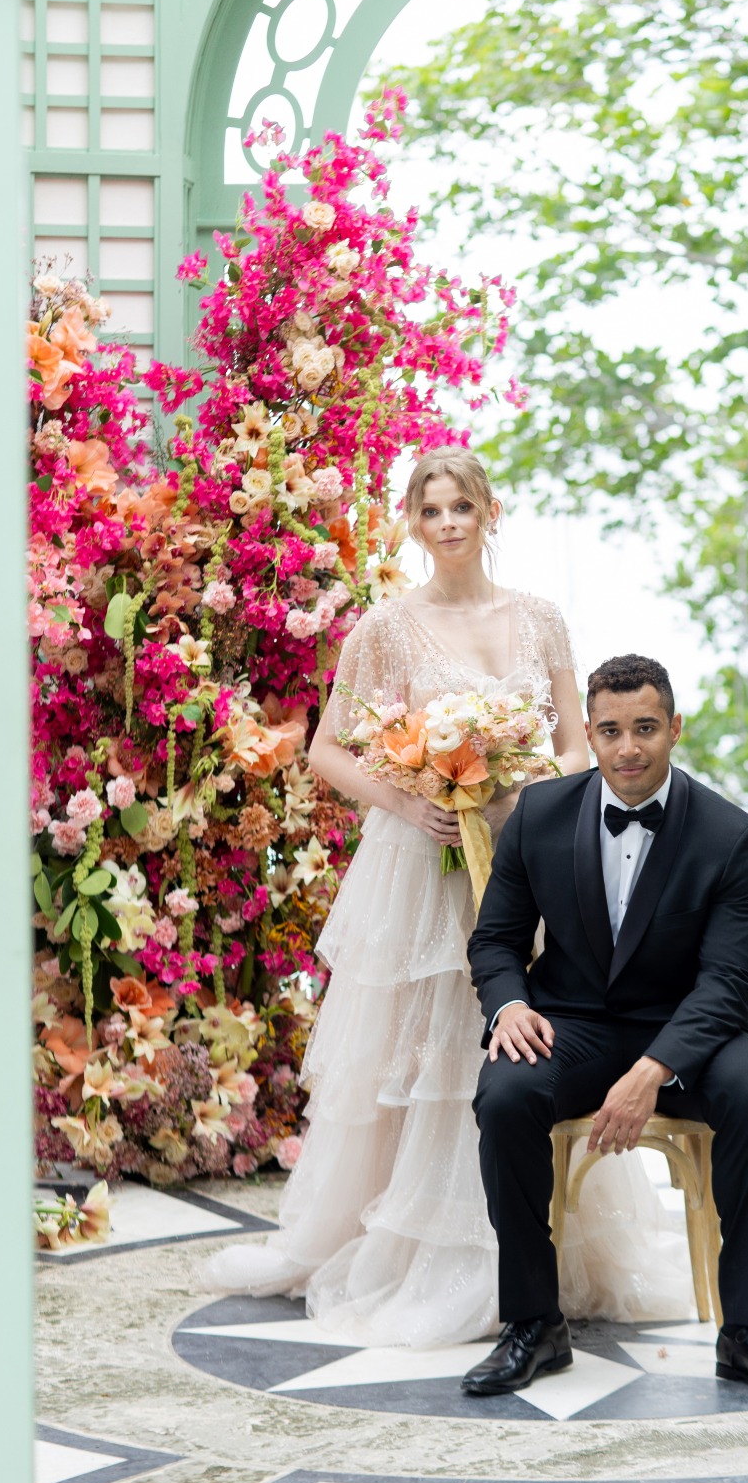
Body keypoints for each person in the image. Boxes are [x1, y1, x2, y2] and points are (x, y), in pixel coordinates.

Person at [202, 452, 692, 1345]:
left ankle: (542, 1244)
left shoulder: (540, 619)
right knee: (433, 1057)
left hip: (527, 860)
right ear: (413, 524)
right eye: (430, 511)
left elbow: (578, 744)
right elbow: (327, 749)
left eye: (462, 505)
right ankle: (427, 1252)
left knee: (529, 1036)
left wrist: (544, 808)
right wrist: (411, 798)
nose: (449, 523)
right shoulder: (385, 629)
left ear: (490, 511)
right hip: (423, 864)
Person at [462, 653, 748, 1401]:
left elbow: (729, 984)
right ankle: (534, 1323)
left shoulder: (732, 836)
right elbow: (495, 940)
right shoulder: (538, 814)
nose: (629, 748)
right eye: (612, 731)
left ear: (675, 730)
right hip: (571, 1023)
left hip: (691, 1026)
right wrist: (511, 1005)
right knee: (504, 1096)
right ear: (590, 735)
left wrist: (653, 1071)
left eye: (647, 729)